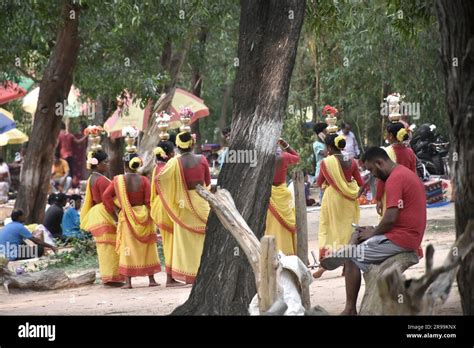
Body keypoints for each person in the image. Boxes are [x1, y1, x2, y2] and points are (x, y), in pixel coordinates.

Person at [321, 146, 426, 315]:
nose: (372, 175)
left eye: (371, 169)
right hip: (404, 235)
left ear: (380, 163)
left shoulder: (395, 179)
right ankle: (353, 243)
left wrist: (373, 232)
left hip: (403, 239)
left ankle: (349, 309)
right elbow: (393, 218)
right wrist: (374, 230)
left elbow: (390, 218)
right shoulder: (402, 173)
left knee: (352, 257)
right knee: (360, 234)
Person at [155, 131, 211, 284]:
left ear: (178, 146)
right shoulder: (202, 159)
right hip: (201, 202)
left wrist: (176, 193)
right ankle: (206, 272)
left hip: (182, 206)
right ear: (192, 144)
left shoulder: (174, 163)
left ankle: (190, 275)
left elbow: (159, 179)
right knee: (205, 238)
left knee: (186, 242)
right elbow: (207, 182)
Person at [103, 152, 160, 289]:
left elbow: (106, 196)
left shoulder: (118, 180)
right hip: (144, 215)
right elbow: (148, 201)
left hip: (127, 217)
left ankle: (128, 282)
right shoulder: (144, 180)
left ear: (124, 165)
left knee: (127, 248)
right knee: (147, 247)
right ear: (137, 164)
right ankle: (151, 279)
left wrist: (116, 211)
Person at [313, 133, 364, 279]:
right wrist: (354, 194)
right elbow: (360, 183)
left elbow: (319, 182)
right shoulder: (351, 160)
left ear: (329, 147)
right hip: (350, 201)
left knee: (330, 230)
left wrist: (328, 184)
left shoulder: (326, 162)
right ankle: (347, 265)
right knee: (348, 231)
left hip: (333, 199)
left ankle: (324, 265)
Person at [80, 150, 124, 286]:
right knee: (110, 247)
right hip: (104, 213)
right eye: (105, 162)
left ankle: (109, 276)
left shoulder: (92, 177)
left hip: (98, 212)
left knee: (105, 247)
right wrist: (116, 216)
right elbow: (108, 200)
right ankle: (112, 278)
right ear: (98, 165)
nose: (107, 164)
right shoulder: (100, 179)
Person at [150, 140, 182, 287]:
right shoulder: (165, 168)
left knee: (169, 242)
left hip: (160, 206)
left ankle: (172, 276)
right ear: (169, 154)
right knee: (169, 243)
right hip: (166, 207)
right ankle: (170, 279)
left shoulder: (158, 167)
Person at [265, 138, 300, 255]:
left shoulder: (262, 157)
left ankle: (273, 253)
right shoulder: (285, 156)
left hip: (269, 194)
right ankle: (288, 251)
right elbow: (297, 158)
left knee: (271, 225)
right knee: (286, 225)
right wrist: (286, 145)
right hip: (283, 194)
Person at [375, 122, 417, 216]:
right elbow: (414, 175)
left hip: (391, 195)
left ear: (390, 135)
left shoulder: (385, 152)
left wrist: (378, 199)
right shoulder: (410, 152)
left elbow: (381, 179)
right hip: (407, 194)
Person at [312, 122, 328, 205]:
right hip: (321, 171)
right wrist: (326, 141)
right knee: (323, 193)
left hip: (329, 169)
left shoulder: (327, 143)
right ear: (320, 134)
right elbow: (326, 154)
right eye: (325, 132)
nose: (327, 134)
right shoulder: (316, 144)